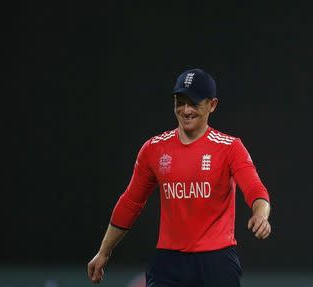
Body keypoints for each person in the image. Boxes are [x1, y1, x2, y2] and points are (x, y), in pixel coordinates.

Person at [87, 68, 271, 287]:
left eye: (194, 103)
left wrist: (261, 215)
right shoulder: (154, 149)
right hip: (168, 263)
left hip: (216, 262)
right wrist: (104, 252)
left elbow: (255, 190)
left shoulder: (230, 147)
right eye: (180, 102)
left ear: (212, 105)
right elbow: (131, 203)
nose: (186, 110)